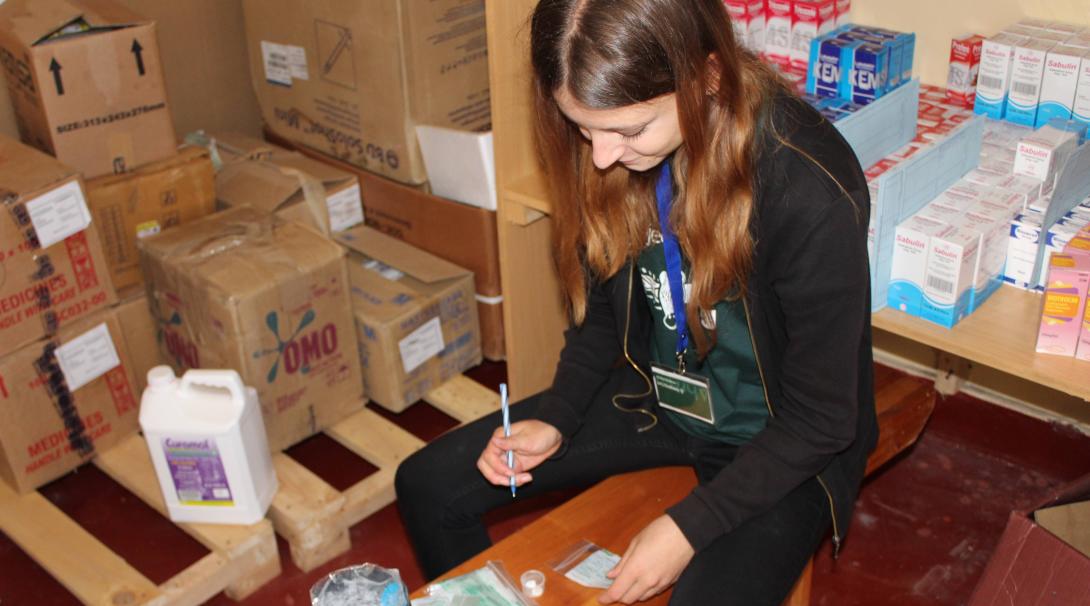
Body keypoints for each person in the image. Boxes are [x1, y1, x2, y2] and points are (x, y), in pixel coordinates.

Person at [395, 0, 877, 603]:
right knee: (427, 484)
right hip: (661, 393)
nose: (599, 157)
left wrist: (687, 527)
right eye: (582, 128)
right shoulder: (612, 137)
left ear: (709, 78)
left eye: (627, 131)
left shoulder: (808, 186)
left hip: (779, 439)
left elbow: (824, 420)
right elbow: (605, 311)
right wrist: (559, 415)